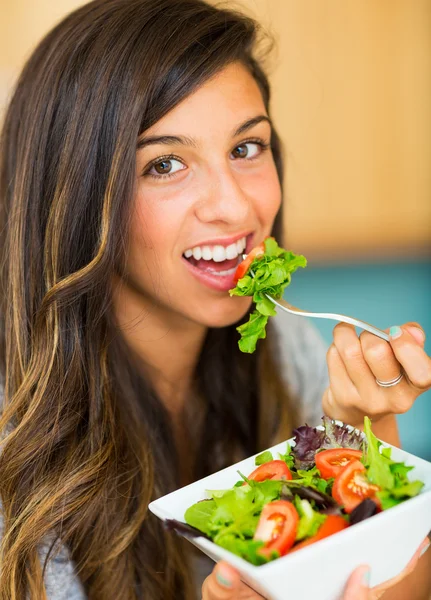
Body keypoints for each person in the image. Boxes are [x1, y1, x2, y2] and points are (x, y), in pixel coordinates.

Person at [0, 1, 429, 599]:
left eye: (246, 148)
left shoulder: (284, 348)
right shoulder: (12, 444)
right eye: (165, 164)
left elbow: (391, 580)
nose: (233, 206)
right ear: (74, 199)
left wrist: (366, 428)